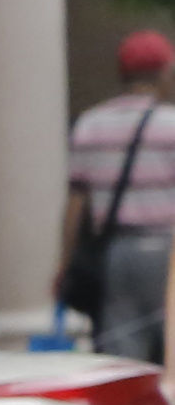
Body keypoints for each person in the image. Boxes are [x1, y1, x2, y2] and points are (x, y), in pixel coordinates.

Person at [65, 29, 175, 366]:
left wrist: (65, 261)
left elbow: (76, 204)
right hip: (168, 253)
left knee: (123, 350)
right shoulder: (171, 124)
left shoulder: (91, 124)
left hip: (116, 252)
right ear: (164, 72)